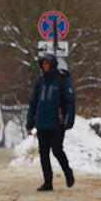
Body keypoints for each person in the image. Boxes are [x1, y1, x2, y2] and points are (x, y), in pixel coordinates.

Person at [25, 53, 75, 191]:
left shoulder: (62, 80)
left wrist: (68, 121)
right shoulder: (40, 82)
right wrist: (30, 123)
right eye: (43, 64)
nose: (45, 66)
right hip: (41, 123)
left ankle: (67, 172)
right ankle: (48, 182)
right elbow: (33, 103)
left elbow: (70, 101)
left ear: (52, 64)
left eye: (47, 63)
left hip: (57, 123)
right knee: (44, 154)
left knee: (57, 150)